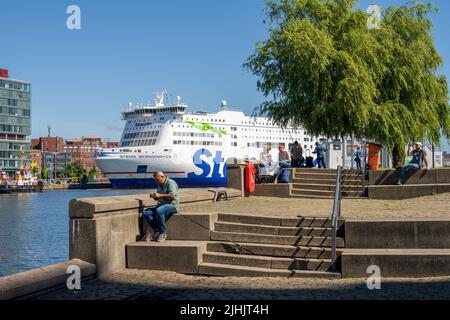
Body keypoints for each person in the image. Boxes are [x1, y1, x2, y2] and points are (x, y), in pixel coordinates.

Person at [141, 171, 180, 242]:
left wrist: (159, 195)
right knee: (146, 212)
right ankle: (156, 230)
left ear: (162, 177)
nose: (156, 182)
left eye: (157, 180)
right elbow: (160, 197)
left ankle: (162, 232)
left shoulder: (171, 183)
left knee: (159, 210)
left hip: (172, 205)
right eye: (155, 180)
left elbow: (172, 196)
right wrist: (155, 197)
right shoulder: (159, 184)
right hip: (161, 205)